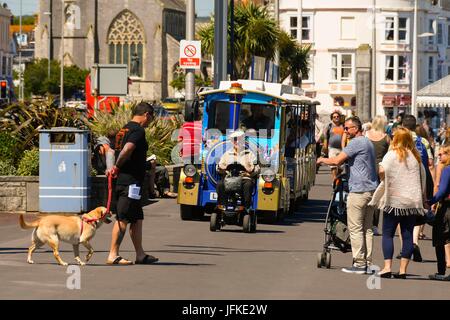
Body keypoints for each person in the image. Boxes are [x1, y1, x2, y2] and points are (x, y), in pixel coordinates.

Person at [317, 116, 378, 274]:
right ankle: (368, 262)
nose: (345, 131)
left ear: (356, 129)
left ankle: (358, 263)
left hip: (359, 191)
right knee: (368, 229)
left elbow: (337, 161)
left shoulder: (356, 143)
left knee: (356, 228)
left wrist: (321, 159)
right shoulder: (368, 143)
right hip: (371, 190)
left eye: (347, 128)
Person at [369, 127, 427, 279]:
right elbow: (423, 180)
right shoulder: (416, 157)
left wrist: (386, 179)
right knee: (407, 235)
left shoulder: (391, 155)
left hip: (393, 200)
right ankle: (403, 270)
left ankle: (387, 267)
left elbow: (381, 171)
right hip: (411, 203)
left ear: (396, 140)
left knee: (388, 234)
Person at [106, 102, 158, 265]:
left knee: (136, 218)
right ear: (146, 115)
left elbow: (111, 151)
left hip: (131, 182)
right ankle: (113, 254)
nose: (150, 123)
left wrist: (112, 167)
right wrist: (116, 167)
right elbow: (127, 149)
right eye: (151, 119)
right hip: (129, 182)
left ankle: (140, 254)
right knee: (123, 217)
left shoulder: (124, 129)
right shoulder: (137, 130)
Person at [402, 115, 434, 262]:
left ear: (403, 125)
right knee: (418, 212)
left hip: (404, 180)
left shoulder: (399, 139)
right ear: (415, 126)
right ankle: (414, 242)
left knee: (402, 212)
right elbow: (431, 162)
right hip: (422, 179)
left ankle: (405, 247)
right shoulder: (424, 141)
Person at [216, 130, 259, 212]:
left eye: (240, 139)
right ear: (232, 141)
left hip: (244, 178)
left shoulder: (250, 154)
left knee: (248, 185)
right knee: (220, 184)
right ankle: (222, 206)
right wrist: (220, 168)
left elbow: (257, 168)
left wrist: (251, 170)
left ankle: (246, 207)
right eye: (235, 139)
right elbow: (219, 167)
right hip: (229, 178)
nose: (237, 141)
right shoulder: (227, 154)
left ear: (243, 140)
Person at [428, 144, 450, 280]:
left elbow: (442, 191)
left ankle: (441, 271)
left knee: (440, 237)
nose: (439, 156)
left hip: (447, 207)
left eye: (442, 154)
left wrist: (430, 202)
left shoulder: (447, 170)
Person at [366, 115, 390, 236]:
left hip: (367, 166)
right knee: (377, 196)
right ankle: (374, 224)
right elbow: (390, 154)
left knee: (365, 193)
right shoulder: (386, 138)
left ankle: (365, 222)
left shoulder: (367, 134)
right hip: (381, 167)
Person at [323, 111, 345, 181]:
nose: (336, 118)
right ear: (332, 118)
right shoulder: (329, 126)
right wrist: (325, 148)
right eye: (334, 117)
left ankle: (337, 177)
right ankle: (334, 180)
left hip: (342, 149)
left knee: (341, 167)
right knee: (333, 166)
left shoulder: (343, 126)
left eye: (337, 116)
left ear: (340, 117)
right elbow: (326, 137)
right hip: (332, 148)